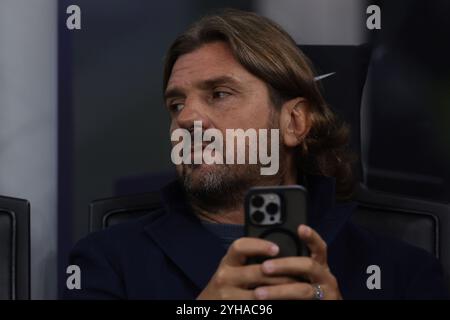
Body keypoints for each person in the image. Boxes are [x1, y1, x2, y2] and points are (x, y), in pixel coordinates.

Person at [65, 9, 448, 300]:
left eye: (219, 94)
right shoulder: (107, 263)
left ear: (294, 122)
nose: (187, 118)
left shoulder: (402, 272)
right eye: (176, 104)